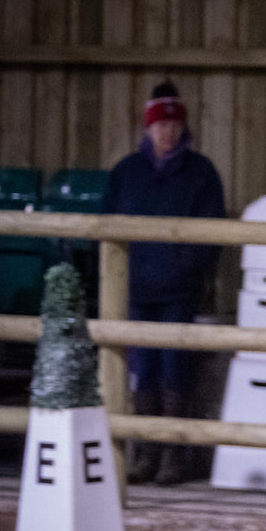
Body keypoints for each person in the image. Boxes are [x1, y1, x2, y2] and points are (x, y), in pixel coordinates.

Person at [103, 81, 225, 485]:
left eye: (173, 124)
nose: (166, 132)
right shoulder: (127, 173)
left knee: (175, 371)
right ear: (147, 127)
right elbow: (106, 226)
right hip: (136, 289)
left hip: (178, 290)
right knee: (143, 371)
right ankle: (143, 452)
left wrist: (185, 268)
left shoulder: (201, 173)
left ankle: (174, 457)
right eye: (160, 124)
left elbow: (212, 231)